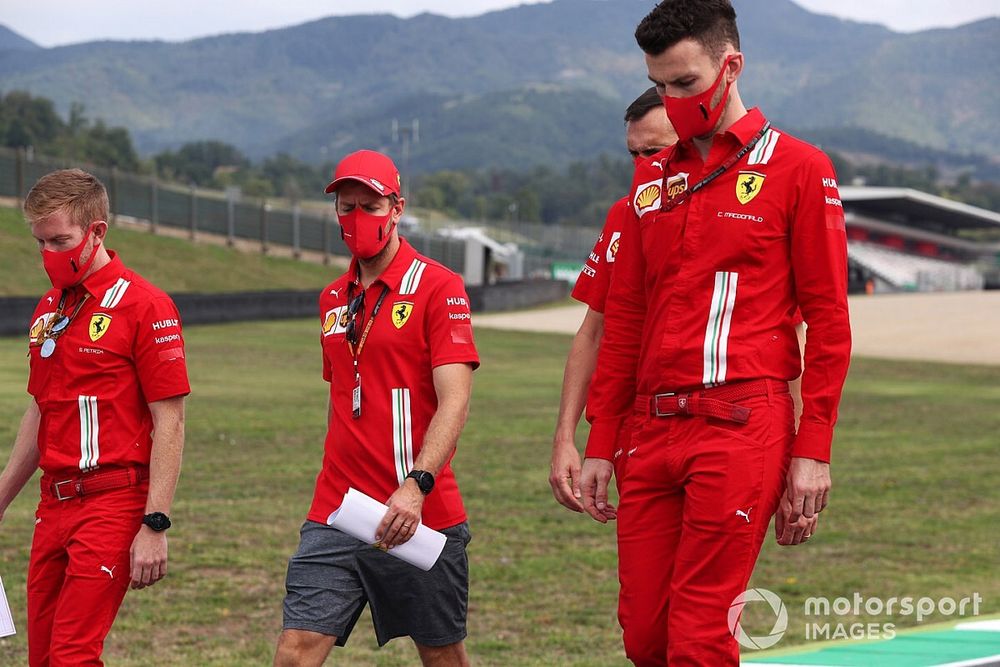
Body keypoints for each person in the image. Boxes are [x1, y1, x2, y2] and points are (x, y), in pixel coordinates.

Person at [580, 2, 852, 665]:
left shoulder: (798, 167)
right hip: (650, 432)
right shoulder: (652, 183)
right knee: (645, 637)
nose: (672, 102)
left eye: (686, 83)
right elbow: (625, 324)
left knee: (698, 636)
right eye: (661, 85)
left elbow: (831, 320)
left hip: (740, 425)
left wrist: (812, 445)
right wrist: (601, 438)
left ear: (731, 67)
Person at [274, 150, 480, 667]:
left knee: (442, 656)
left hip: (419, 512)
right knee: (295, 653)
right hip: (338, 511)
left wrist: (417, 485)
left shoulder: (440, 287)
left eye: (370, 206)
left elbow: (455, 400)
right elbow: (344, 396)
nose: (357, 219)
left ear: (397, 208)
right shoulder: (331, 299)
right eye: (347, 208)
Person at [0, 168, 189, 666]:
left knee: (72, 656)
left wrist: (155, 522)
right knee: (40, 657)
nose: (49, 255)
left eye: (60, 241)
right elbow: (41, 410)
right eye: (40, 243)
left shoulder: (146, 305)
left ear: (97, 231)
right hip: (53, 504)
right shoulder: (47, 310)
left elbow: (171, 421)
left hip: (112, 499)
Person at [549, 87, 678, 511]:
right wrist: (566, 437)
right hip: (634, 429)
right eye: (634, 154)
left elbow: (790, 331)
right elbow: (592, 333)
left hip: (712, 428)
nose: (644, 165)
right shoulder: (623, 215)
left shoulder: (722, 216)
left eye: (655, 152)